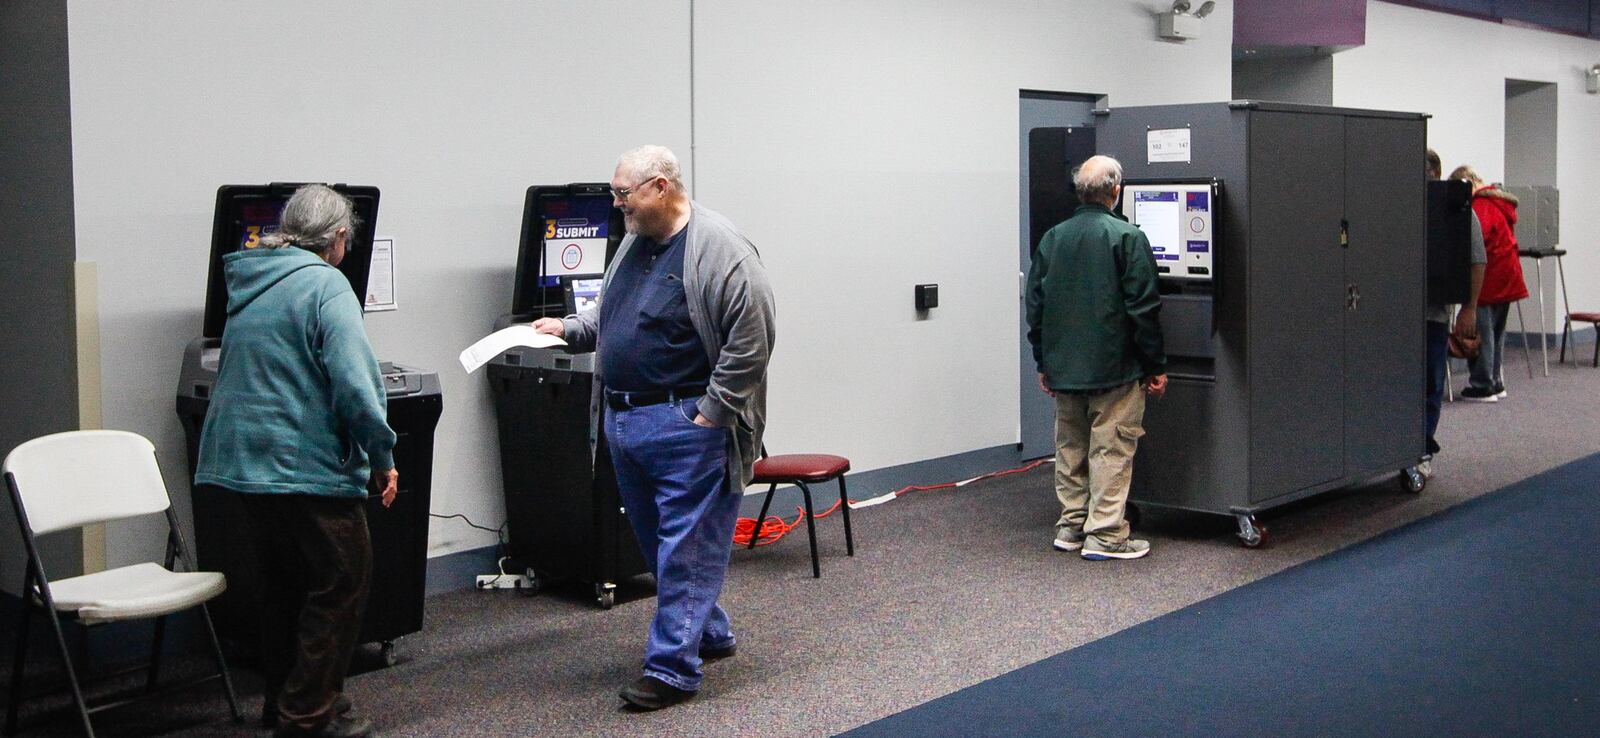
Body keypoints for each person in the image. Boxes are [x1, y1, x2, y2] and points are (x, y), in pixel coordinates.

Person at [533, 145, 776, 710]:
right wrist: (568, 327)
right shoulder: (634, 242)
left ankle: (671, 670)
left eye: (624, 194)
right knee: (659, 545)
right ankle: (708, 631)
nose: (617, 205)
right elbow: (612, 314)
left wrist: (711, 413)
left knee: (684, 549)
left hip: (686, 425)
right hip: (625, 420)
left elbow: (752, 338)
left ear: (660, 188)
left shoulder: (721, 249)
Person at [195, 184, 397, 738]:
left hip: (245, 463)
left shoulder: (252, 282)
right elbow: (357, 387)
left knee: (283, 585)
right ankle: (306, 715)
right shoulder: (329, 286)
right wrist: (381, 454)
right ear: (337, 239)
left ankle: (287, 702)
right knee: (341, 583)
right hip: (305, 465)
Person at [1025, 154, 1166, 561]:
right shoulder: (1127, 238)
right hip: (1115, 367)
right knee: (1111, 449)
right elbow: (1143, 308)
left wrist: (1043, 361)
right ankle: (1105, 534)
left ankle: (1071, 524)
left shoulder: (1053, 238)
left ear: (1080, 191)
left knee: (1071, 447)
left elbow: (1036, 307)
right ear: (1116, 191)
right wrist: (1155, 365)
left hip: (1064, 367)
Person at [1422, 150, 1485, 477]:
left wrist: (1469, 308)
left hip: (1434, 314)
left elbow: (1477, 260)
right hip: (1393, 316)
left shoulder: (1457, 210)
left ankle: (1423, 449)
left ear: (1434, 174)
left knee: (1430, 383)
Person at [1448, 165, 1527, 402]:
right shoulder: (1499, 203)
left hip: (1490, 277)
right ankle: (1496, 380)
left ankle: (1482, 384)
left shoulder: (1479, 207)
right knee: (1497, 331)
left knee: (1481, 331)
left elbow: (1475, 246)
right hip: (1508, 274)